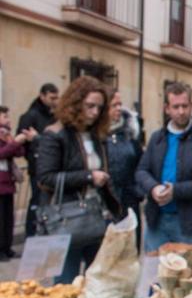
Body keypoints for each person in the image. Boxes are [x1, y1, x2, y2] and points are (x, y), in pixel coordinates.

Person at [36, 76, 122, 283]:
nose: (94, 112)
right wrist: (89, 176)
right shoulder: (55, 134)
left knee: (98, 282)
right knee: (66, 285)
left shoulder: (96, 135)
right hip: (64, 220)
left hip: (96, 217)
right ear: (75, 104)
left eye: (99, 107)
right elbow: (45, 178)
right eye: (90, 106)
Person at [136, 82, 192, 253]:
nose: (181, 111)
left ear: (191, 106)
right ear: (167, 109)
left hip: (190, 223)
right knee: (153, 274)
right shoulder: (157, 138)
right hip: (157, 220)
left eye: (185, 106)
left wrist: (175, 190)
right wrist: (153, 188)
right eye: (176, 107)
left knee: (187, 274)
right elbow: (141, 171)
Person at [17, 83, 59, 237]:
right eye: (52, 98)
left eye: (57, 98)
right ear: (42, 96)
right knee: (37, 202)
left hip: (54, 168)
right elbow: (22, 143)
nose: (55, 101)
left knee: (50, 203)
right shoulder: (31, 116)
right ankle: (32, 234)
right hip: (38, 168)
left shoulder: (54, 117)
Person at [106, 90, 143, 249]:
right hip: (105, 204)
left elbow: (141, 164)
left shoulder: (129, 134)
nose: (119, 108)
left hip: (129, 201)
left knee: (129, 249)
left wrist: (138, 190)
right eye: (114, 105)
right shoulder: (96, 136)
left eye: (120, 104)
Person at [0, 106, 29, 261]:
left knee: (8, 219)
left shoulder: (6, 136)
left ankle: (7, 247)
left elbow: (19, 153)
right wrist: (13, 144)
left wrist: (15, 142)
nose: (8, 120)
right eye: (4, 116)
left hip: (7, 183)